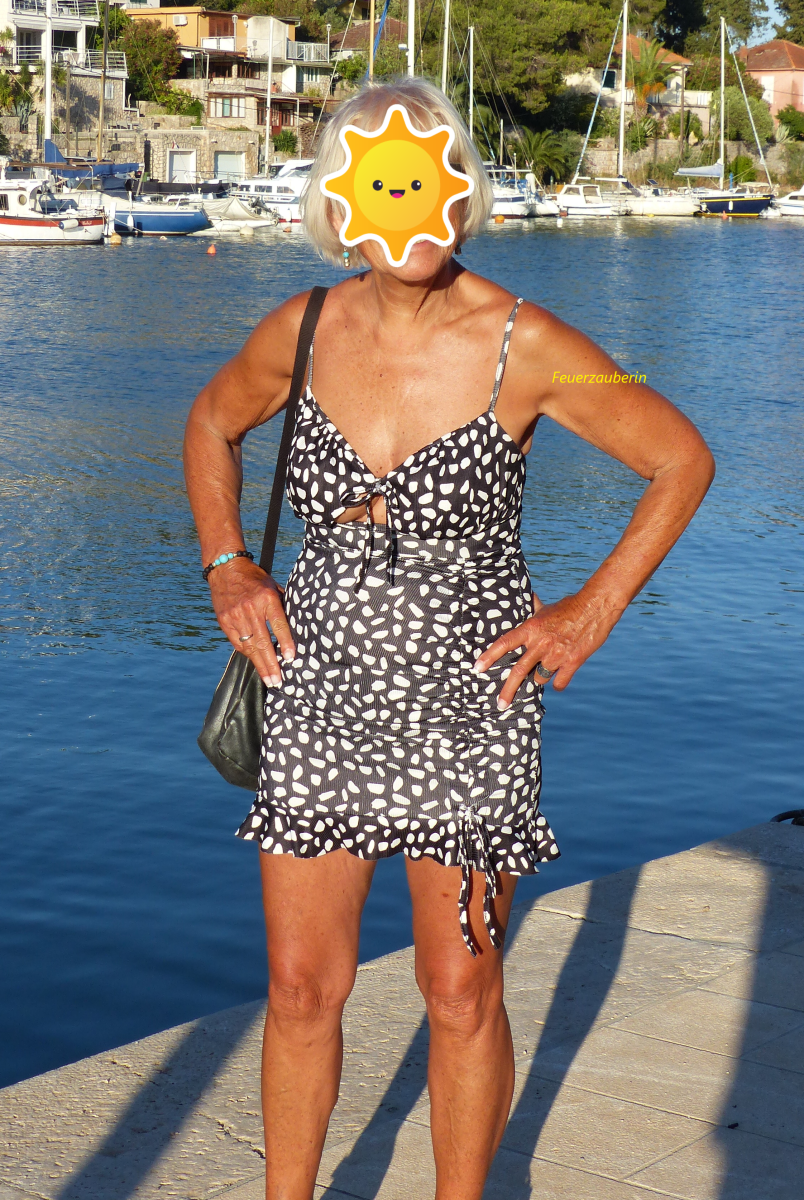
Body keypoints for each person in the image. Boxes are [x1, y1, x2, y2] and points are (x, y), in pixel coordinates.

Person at [183, 77, 714, 1200]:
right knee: (300, 988)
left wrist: (590, 608)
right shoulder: (301, 330)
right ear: (344, 198)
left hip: (472, 708)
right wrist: (230, 565)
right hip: (317, 694)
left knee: (460, 991)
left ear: (460, 189)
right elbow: (211, 422)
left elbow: (679, 456)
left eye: (433, 175)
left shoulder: (531, 343)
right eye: (385, 180)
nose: (414, 203)